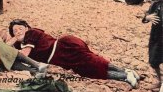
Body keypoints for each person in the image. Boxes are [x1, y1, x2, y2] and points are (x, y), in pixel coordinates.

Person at [7, 19, 140, 88]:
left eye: (20, 28)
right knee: (89, 69)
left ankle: (125, 75)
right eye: (15, 31)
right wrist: (14, 41)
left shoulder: (31, 33)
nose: (18, 31)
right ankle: (126, 72)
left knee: (93, 62)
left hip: (64, 47)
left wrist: (12, 41)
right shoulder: (20, 43)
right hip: (61, 57)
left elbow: (24, 53)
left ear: (27, 28)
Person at [142, 0, 163, 92]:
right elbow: (145, 18)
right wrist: (147, 17)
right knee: (154, 60)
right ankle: (160, 81)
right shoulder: (155, 5)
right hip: (156, 38)